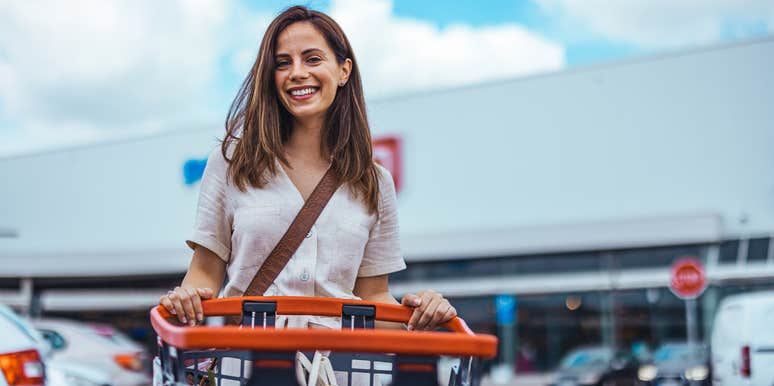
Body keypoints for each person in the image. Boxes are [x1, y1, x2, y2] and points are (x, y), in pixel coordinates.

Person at [159, 6, 456, 332]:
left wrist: (422, 311)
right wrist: (186, 297)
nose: (297, 72)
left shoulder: (373, 181)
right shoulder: (232, 162)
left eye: (313, 59)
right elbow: (205, 271)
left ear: (344, 71)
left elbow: (374, 296)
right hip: (249, 365)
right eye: (283, 63)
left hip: (341, 370)